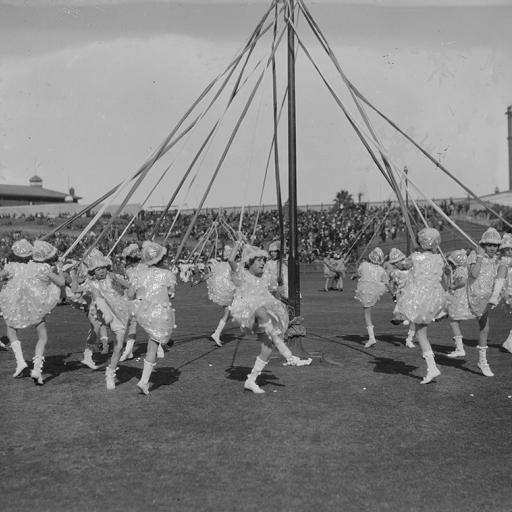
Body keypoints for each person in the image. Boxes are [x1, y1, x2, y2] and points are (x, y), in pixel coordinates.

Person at [228, 240, 311, 394]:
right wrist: (238, 244)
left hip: (264, 317)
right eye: (258, 261)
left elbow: (273, 293)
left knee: (267, 348)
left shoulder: (265, 277)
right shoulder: (243, 274)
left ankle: (251, 380)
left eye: (263, 261)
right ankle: (289, 355)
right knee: (260, 310)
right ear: (250, 263)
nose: (262, 264)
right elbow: (231, 260)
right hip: (247, 314)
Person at [0, 240, 64, 385]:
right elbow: (61, 282)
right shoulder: (42, 267)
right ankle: (36, 369)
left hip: (14, 303)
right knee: (42, 336)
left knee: (11, 330)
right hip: (35, 305)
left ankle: (21, 361)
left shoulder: (12, 267)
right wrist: (60, 269)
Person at [72, 250, 131, 390]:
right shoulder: (92, 283)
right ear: (93, 271)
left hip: (119, 314)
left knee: (119, 346)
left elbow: (129, 286)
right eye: (98, 269)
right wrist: (74, 275)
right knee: (95, 290)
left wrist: (116, 278)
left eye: (103, 268)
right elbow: (75, 289)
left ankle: (110, 372)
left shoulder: (112, 278)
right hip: (102, 313)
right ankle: (90, 352)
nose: (101, 271)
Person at [394, 228, 446, 384]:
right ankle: (432, 367)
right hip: (433, 300)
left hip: (418, 300)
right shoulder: (438, 258)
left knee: (420, 333)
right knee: (421, 333)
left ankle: (432, 367)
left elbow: (403, 265)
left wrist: (396, 261)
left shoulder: (415, 257)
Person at [128, 241, 177, 395]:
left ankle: (144, 380)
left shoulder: (138, 274)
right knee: (154, 345)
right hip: (160, 314)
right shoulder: (167, 274)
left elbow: (130, 295)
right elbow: (171, 293)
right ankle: (143, 381)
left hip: (143, 312)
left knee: (153, 343)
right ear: (161, 259)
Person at [466, 227, 501, 377]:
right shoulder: (475, 255)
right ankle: (482, 361)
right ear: (483, 245)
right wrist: (480, 257)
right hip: (473, 297)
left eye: (495, 245)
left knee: (485, 329)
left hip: (485, 298)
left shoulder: (495, 259)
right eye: (489, 245)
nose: (492, 248)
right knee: (484, 328)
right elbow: (473, 274)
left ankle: (482, 360)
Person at [354, 247, 389, 348]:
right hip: (375, 292)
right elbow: (386, 282)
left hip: (365, 291)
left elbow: (359, 273)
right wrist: (393, 294)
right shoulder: (381, 269)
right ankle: (371, 337)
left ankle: (371, 337)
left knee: (367, 314)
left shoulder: (364, 265)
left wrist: (354, 276)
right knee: (367, 312)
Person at [445, 249, 474, 358]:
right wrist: (449, 274)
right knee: (454, 321)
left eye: (452, 262)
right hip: (459, 298)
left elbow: (462, 282)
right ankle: (459, 346)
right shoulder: (462, 269)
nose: (451, 264)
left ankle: (460, 348)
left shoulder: (461, 270)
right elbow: (450, 283)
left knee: (453, 322)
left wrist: (454, 286)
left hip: (458, 299)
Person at [207, 245, 236, 347]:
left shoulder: (219, 265)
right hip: (228, 291)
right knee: (228, 313)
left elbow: (210, 274)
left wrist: (199, 281)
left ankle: (217, 333)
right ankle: (216, 333)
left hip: (225, 291)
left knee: (228, 313)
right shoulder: (230, 265)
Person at [488, 233, 512, 352]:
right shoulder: (503, 262)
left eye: (510, 249)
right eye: (506, 249)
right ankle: (509, 343)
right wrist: (495, 296)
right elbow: (500, 279)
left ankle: (509, 342)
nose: (509, 251)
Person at [387, 248, 416, 348]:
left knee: (413, 318)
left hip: (412, 295)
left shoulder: (411, 269)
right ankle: (400, 318)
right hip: (402, 296)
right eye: (394, 264)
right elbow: (392, 284)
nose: (395, 265)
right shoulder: (395, 273)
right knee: (402, 312)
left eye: (396, 262)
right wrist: (394, 294)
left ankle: (409, 339)